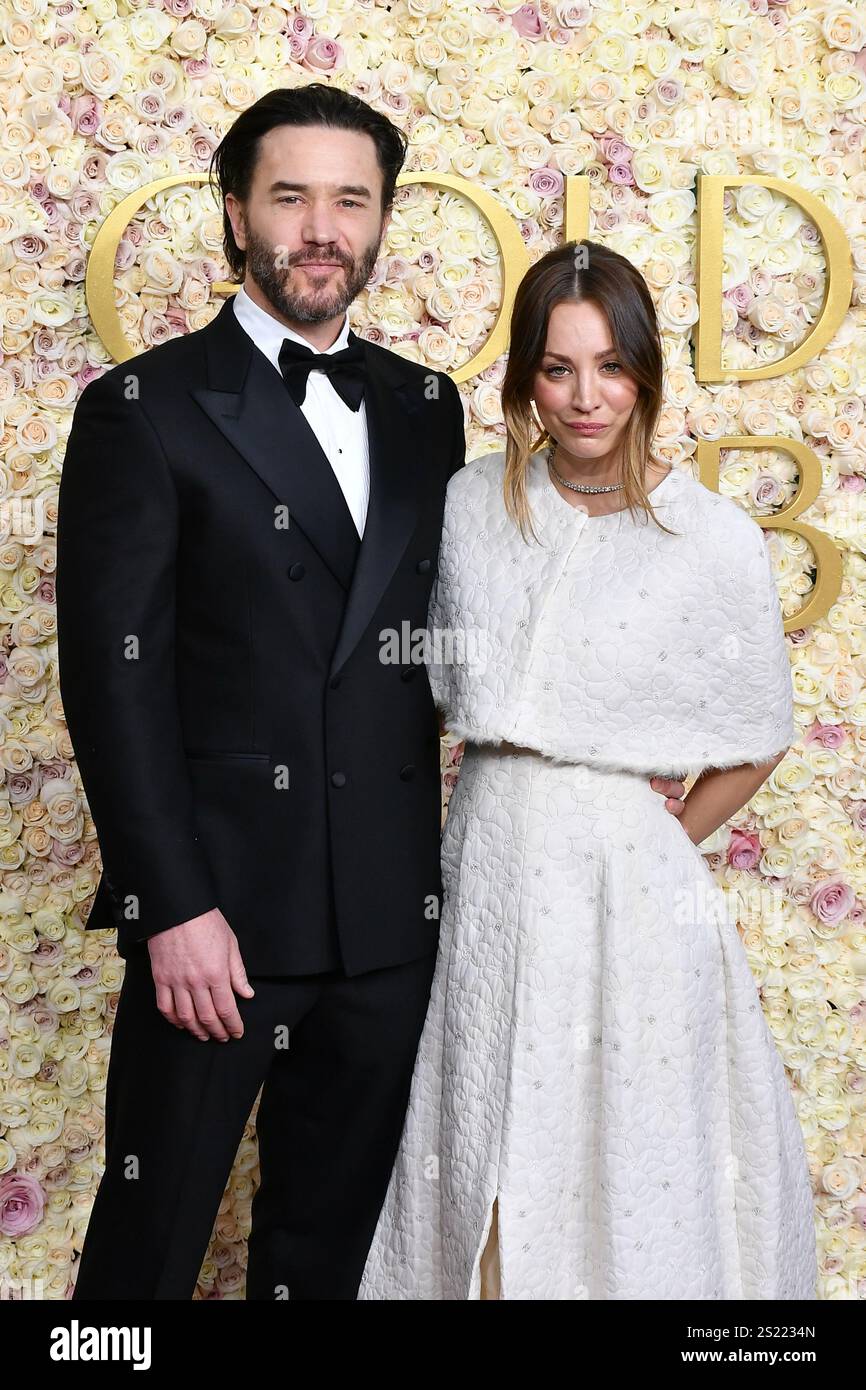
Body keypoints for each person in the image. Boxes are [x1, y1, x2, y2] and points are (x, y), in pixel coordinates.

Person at [57, 83, 687, 1300]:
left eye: (350, 199)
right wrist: (172, 905)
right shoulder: (145, 409)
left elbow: (470, 626)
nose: (320, 227)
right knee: (142, 1257)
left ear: (382, 220)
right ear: (237, 213)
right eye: (289, 196)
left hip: (389, 925)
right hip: (220, 922)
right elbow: (110, 681)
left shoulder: (419, 406)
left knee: (327, 1253)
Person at [359, 239, 818, 1300]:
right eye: (556, 368)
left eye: (609, 366)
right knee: (484, 1133)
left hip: (632, 902)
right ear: (523, 377)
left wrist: (645, 833)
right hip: (485, 863)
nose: (583, 396)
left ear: (646, 372)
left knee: (624, 1146)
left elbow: (756, 730)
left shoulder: (711, 537)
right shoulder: (471, 503)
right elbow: (419, 676)